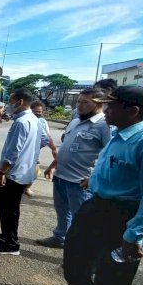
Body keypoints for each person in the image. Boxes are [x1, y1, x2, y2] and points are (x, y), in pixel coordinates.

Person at [49, 86, 143, 285]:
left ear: (132, 111)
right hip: (97, 204)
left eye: (112, 106)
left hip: (122, 213)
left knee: (113, 275)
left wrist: (135, 235)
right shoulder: (120, 133)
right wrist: (94, 179)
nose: (105, 111)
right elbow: (111, 165)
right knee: (76, 252)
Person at [36, 88, 111, 248]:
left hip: (81, 182)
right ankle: (60, 237)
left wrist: (94, 178)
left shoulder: (104, 125)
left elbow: (110, 156)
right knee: (62, 212)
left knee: (82, 219)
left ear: (100, 104)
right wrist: (52, 165)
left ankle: (79, 253)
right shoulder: (76, 121)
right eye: (78, 101)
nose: (79, 106)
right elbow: (66, 147)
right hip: (61, 177)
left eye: (85, 102)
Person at [0, 89, 42, 255]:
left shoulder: (21, 122)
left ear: (19, 102)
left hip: (13, 173)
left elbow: (13, 153)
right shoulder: (34, 120)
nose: (8, 105)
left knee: (9, 210)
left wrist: (1, 173)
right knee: (10, 209)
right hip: (24, 172)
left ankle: (11, 245)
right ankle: (6, 236)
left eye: (10, 101)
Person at [24, 100, 57, 196]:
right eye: (36, 112)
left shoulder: (42, 121)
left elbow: (47, 136)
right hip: (24, 150)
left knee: (34, 170)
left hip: (35, 150)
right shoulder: (26, 120)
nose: (38, 114)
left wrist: (53, 149)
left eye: (40, 112)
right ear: (31, 110)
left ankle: (27, 187)